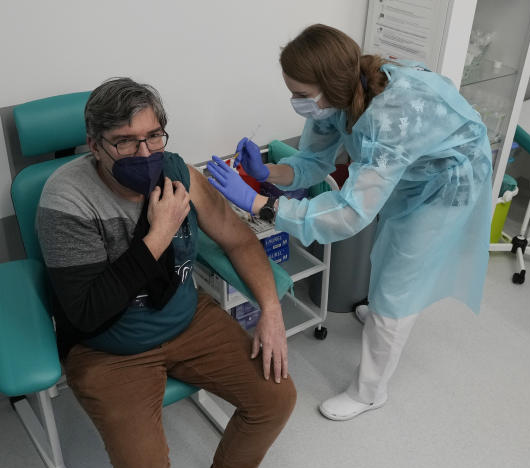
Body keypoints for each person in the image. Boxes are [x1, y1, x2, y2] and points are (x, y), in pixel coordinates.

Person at [36, 77, 296, 468]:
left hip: (187, 320)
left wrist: (270, 311)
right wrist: (160, 233)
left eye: (154, 136)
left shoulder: (178, 170)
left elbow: (237, 238)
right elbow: (87, 311)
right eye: (126, 141)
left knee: (275, 396)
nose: (146, 153)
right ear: (94, 142)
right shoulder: (65, 198)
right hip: (108, 349)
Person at [206, 24, 493, 422]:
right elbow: (314, 164)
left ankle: (370, 391)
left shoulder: (390, 115)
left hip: (447, 183)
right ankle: (380, 314)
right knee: (389, 245)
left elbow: (348, 214)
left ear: (328, 86)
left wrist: (260, 204)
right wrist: (267, 171)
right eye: (291, 92)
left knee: (399, 279)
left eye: (301, 95)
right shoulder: (338, 97)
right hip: (411, 171)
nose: (296, 102)